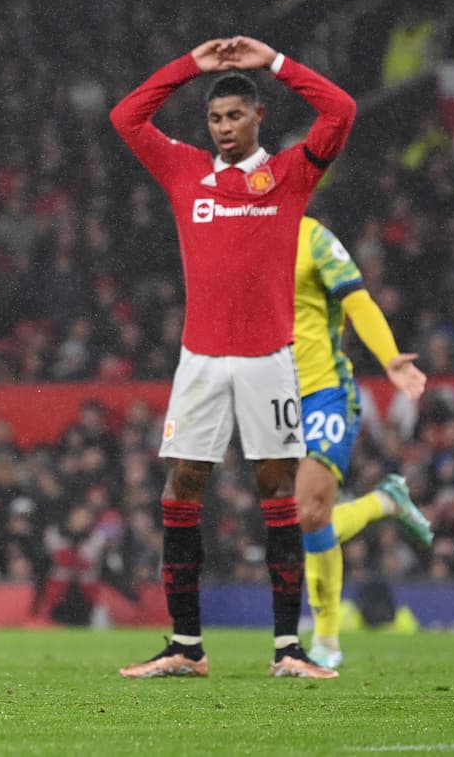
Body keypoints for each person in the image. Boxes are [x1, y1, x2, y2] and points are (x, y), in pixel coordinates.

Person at [109, 36, 357, 679]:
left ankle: (287, 650)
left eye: (235, 116)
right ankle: (186, 647)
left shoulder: (292, 175)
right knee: (181, 489)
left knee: (277, 491)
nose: (223, 128)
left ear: (258, 118)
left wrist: (272, 62)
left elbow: (342, 111)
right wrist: (191, 67)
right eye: (215, 118)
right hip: (200, 361)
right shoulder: (185, 171)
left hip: (268, 361)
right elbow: (127, 116)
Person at [293, 215, 433, 670]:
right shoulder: (239, 238)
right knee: (300, 523)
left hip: (326, 393)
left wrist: (390, 357)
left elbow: (357, 300)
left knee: (310, 512)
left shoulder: (312, 237)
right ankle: (384, 502)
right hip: (271, 400)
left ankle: (326, 642)